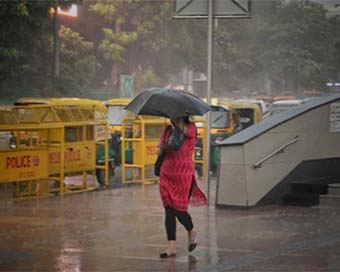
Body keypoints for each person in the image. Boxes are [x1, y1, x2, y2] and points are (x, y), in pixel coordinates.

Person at [156, 116, 207, 258]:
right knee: (168, 209)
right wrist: (159, 148)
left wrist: (178, 125)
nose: (171, 116)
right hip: (166, 172)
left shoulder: (190, 128)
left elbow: (177, 142)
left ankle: (191, 230)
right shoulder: (167, 129)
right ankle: (171, 247)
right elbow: (162, 145)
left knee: (179, 209)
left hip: (182, 174)